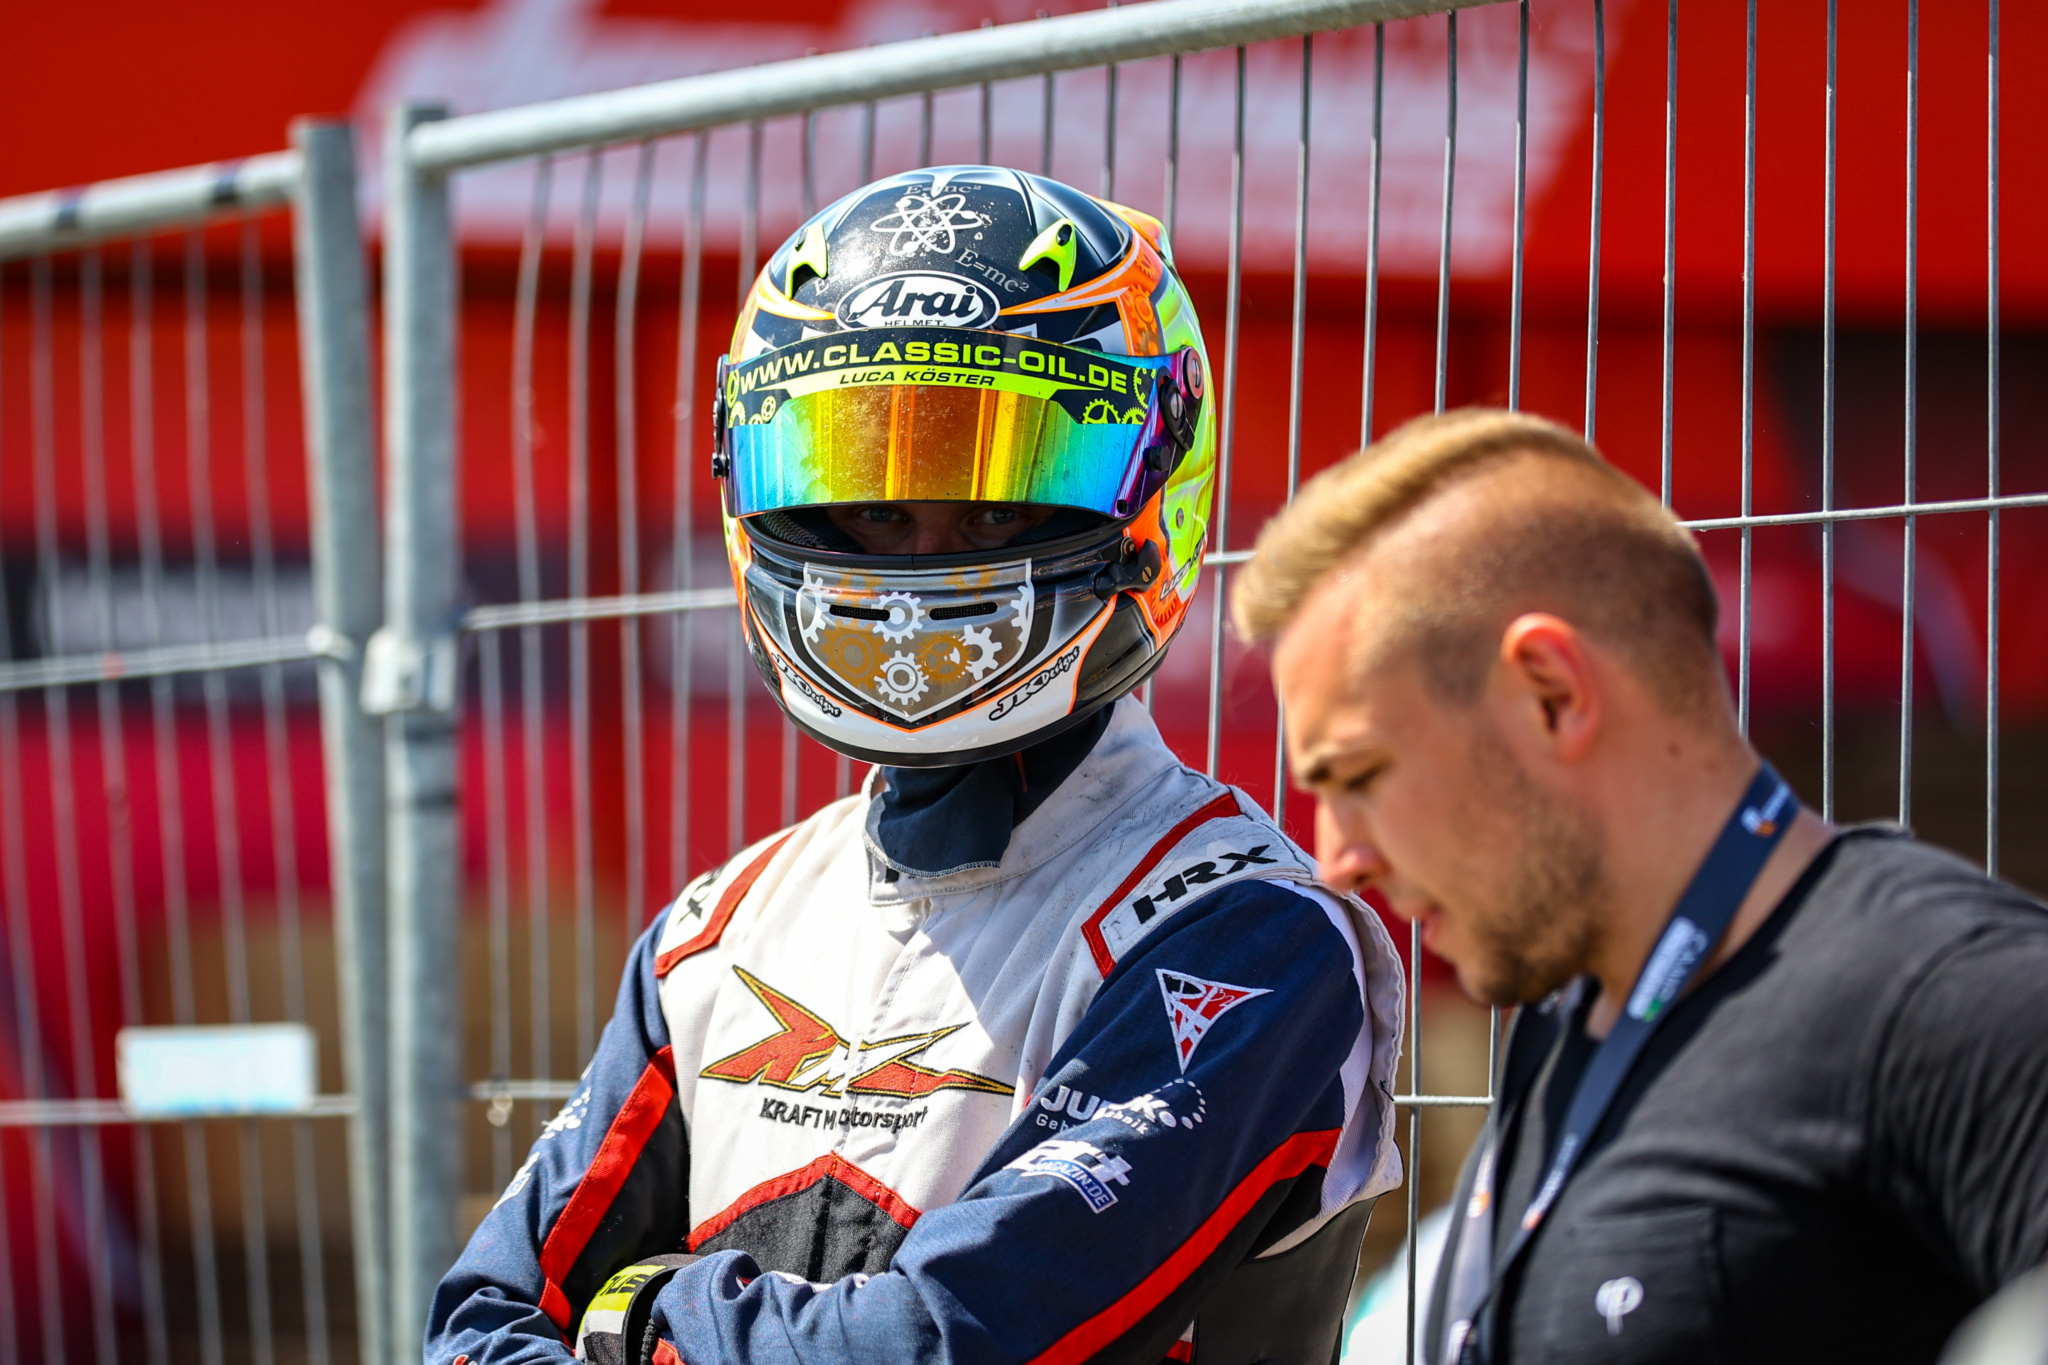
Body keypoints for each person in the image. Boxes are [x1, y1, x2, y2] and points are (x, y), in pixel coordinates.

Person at [427, 166, 1405, 1365]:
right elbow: (476, 1328)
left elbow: (946, 1344)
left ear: (1152, 487)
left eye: (996, 505)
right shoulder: (718, 933)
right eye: (870, 509)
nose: (919, 561)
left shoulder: (1248, 933)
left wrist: (644, 1318)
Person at [1233, 408, 2048, 1364]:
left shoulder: (1953, 999)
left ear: (1552, 692)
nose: (1338, 856)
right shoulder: (1569, 1020)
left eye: (1361, 775)